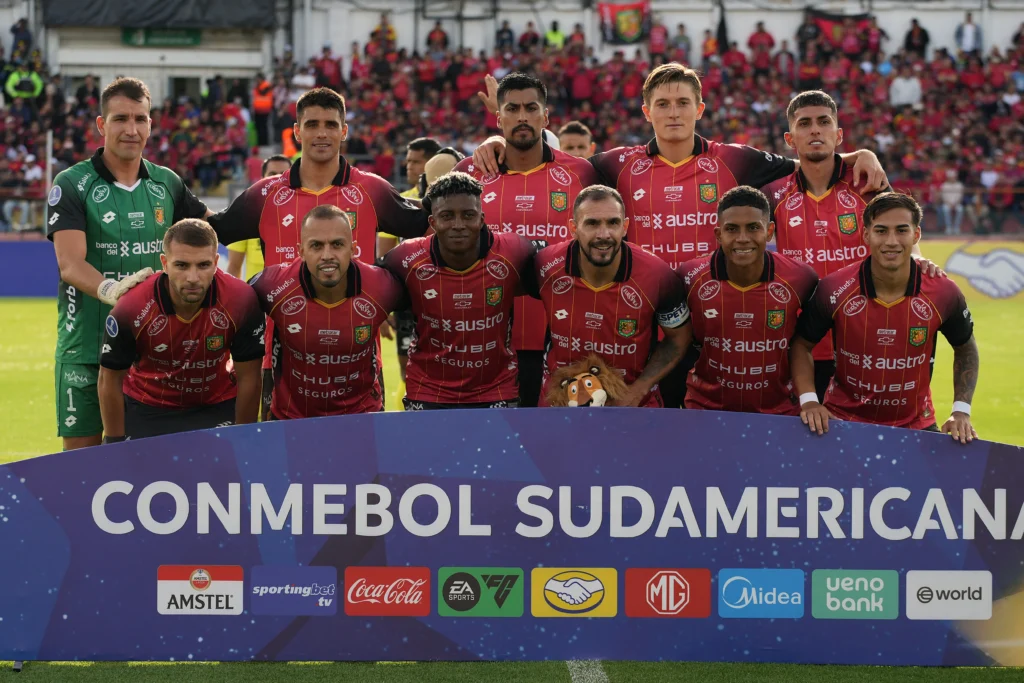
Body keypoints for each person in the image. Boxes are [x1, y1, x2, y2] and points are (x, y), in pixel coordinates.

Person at [471, 64, 888, 408]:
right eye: (663, 104)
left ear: (700, 108)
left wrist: (858, 155)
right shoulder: (618, 164)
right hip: (643, 335)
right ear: (646, 111)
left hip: (713, 332)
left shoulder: (733, 160)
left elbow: (808, 160)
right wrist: (496, 138)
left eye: (683, 103)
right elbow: (551, 161)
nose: (674, 113)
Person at [48, 77, 210, 451]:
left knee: (151, 464)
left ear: (151, 124)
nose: (131, 130)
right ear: (101, 124)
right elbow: (69, 264)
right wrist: (112, 290)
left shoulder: (167, 183)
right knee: (82, 467)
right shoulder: (72, 184)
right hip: (86, 350)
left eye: (140, 119)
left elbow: (214, 227)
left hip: (153, 353)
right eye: (120, 119)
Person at [455, 72, 599, 407]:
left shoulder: (582, 173)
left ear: (545, 117)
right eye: (512, 109)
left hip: (564, 340)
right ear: (498, 118)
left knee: (560, 435)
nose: (522, 117)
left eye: (531, 108)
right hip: (483, 340)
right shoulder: (469, 173)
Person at [791, 193, 979, 442]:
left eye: (902, 230)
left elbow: (965, 347)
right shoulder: (834, 288)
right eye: (881, 231)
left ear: (916, 235)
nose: (891, 241)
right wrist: (809, 401)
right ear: (866, 235)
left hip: (916, 424)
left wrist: (961, 411)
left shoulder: (944, 291)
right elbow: (801, 344)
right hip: (841, 420)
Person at [97, 220, 264, 442]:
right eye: (182, 265)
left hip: (216, 405)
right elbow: (109, 378)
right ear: (164, 264)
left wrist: (244, 437)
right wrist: (114, 443)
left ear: (216, 263)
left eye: (203, 265)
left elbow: (250, 376)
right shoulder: (131, 307)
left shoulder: (242, 300)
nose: (193, 278)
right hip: (148, 406)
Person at [382, 172, 536, 409]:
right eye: (447, 216)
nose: (458, 225)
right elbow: (368, 286)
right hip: (428, 390)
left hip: (496, 390)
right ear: (432, 222)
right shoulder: (405, 257)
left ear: (482, 219)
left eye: (468, 215)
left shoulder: (515, 251)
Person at [529, 185, 692, 408]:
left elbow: (679, 338)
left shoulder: (657, 275)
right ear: (573, 228)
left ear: (625, 227)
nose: (603, 235)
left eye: (613, 223)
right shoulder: (544, 265)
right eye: (592, 223)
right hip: (560, 402)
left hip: (632, 405)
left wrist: (638, 390)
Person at [249, 206, 405, 418]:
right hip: (292, 418)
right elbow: (232, 304)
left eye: (337, 244)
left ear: (353, 248)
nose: (327, 255)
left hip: (362, 416)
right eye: (316, 246)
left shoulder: (383, 286)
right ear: (301, 251)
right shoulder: (273, 285)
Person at [678, 187, 817, 414]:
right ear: (718, 234)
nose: (742, 239)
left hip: (779, 411)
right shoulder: (689, 276)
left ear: (769, 231)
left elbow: (803, 345)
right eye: (732, 229)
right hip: (704, 408)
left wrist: (809, 399)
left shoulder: (802, 278)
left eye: (753, 228)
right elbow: (675, 339)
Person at [376, 137, 442, 383]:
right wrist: (384, 306)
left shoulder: (452, 201)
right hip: (407, 302)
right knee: (408, 370)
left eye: (416, 161)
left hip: (443, 296)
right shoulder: (399, 201)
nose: (409, 167)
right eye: (408, 161)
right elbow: (383, 257)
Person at [226, 154, 292, 281]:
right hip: (256, 292)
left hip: (293, 292)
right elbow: (234, 267)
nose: (278, 179)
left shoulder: (305, 214)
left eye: (283, 174)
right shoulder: (245, 216)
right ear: (263, 179)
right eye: (272, 174)